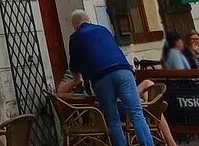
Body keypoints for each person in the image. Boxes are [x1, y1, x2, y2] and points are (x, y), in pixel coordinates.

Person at [66, 10, 155, 146]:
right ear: (89, 20)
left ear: (75, 26)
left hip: (101, 77)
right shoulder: (103, 29)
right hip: (123, 70)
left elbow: (74, 65)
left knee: (113, 119)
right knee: (136, 113)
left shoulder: (75, 37)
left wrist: (77, 80)